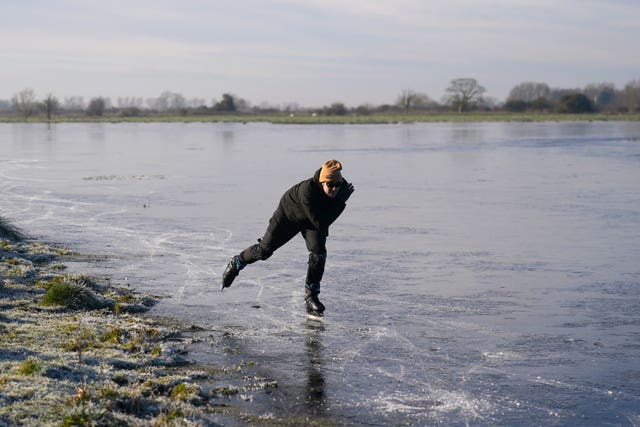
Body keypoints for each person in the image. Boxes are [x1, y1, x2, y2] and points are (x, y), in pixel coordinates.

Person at [221, 159, 354, 318]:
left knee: (318, 254)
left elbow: (321, 221)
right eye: (330, 185)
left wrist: (338, 201)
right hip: (289, 216)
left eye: (337, 185)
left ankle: (311, 295)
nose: (334, 189)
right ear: (321, 181)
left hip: (314, 220)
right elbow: (321, 223)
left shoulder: (340, 186)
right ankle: (237, 262)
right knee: (264, 251)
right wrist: (340, 203)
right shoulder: (307, 191)